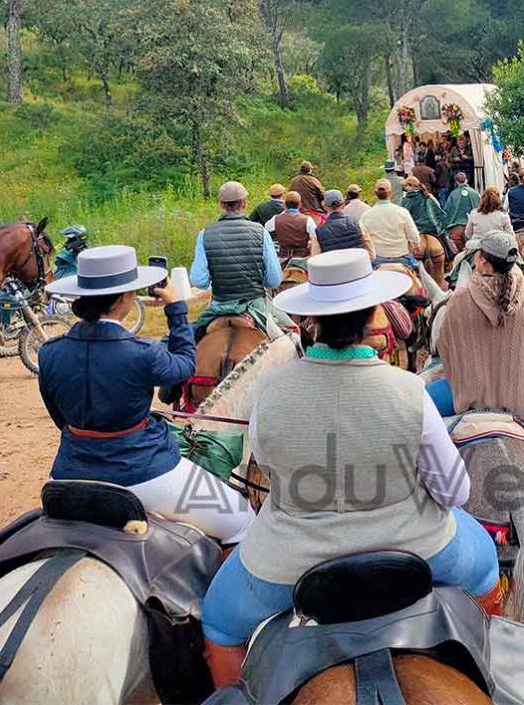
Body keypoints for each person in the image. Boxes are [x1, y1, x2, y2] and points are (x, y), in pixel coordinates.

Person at [201, 250, 501, 686]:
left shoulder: (272, 389)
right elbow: (453, 491)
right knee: (487, 567)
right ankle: (485, 671)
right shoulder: (407, 388)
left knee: (220, 624)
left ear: (311, 320)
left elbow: (266, 465)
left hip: (286, 560)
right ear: (372, 316)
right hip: (419, 546)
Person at [40, 246, 253, 543]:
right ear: (126, 297)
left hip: (67, 475)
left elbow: (59, 418)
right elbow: (184, 366)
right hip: (144, 472)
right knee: (243, 521)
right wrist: (176, 309)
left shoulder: (49, 352)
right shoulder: (143, 352)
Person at [429, 232, 524, 453]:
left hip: (467, 395)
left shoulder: (460, 298)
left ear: (482, 259)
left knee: (420, 408)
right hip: (521, 400)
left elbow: (444, 349)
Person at [190, 181, 282, 305]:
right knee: (287, 324)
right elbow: (274, 280)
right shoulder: (261, 232)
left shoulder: (204, 234)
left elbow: (199, 281)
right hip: (254, 304)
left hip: (220, 304)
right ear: (245, 203)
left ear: (221, 204)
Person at [364, 178, 421, 270]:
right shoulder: (402, 212)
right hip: (402, 258)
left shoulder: (366, 215)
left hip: (377, 259)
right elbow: (414, 236)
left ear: (375, 194)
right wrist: (416, 246)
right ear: (391, 193)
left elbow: (364, 239)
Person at [402, 176, 446, 287]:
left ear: (411, 186)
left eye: (406, 186)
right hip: (432, 230)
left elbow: (404, 218)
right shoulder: (428, 196)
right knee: (446, 243)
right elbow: (439, 210)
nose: (405, 189)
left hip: (417, 231)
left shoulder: (407, 199)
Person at [310, 190, 375, 259]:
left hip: (333, 268)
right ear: (343, 204)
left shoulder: (318, 232)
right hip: (357, 267)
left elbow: (315, 259)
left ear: (325, 207)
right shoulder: (358, 223)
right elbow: (371, 255)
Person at [267, 191, 316, 261]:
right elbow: (315, 236)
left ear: (285, 205)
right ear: (300, 205)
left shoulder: (276, 219)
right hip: (302, 258)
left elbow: (266, 228)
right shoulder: (307, 220)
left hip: (282, 258)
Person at [442, 171, 480, 252]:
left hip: (456, 227)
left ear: (456, 182)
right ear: (466, 180)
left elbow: (447, 211)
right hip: (474, 226)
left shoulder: (453, 194)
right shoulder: (475, 193)